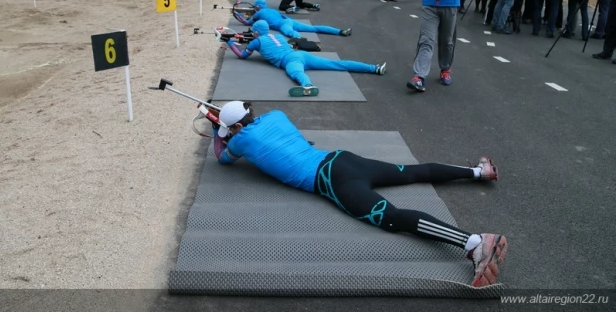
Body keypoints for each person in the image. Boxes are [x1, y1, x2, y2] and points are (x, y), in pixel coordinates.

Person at [210, 101, 508, 288]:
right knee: (413, 171)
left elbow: (222, 157)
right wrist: (228, 125)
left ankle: (475, 243)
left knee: (391, 217)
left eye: (231, 128)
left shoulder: (240, 141)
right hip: (344, 159)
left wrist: (218, 133)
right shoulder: (275, 115)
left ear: (236, 127)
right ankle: (480, 172)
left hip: (330, 180)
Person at [225, 20, 386, 97]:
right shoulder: (278, 36)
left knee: (295, 73)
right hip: (301, 54)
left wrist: (229, 42)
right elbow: (266, 43)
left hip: (290, 60)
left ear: (256, 32)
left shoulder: (256, 41)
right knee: (337, 64)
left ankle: (307, 86)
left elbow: (242, 56)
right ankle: (374, 68)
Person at [234, 0, 351, 38]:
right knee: (315, 28)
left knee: (291, 34)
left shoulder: (258, 13)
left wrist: (237, 14)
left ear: (258, 6)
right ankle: (341, 31)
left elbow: (247, 23)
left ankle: (301, 41)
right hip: (289, 20)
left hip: (283, 25)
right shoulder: (271, 10)